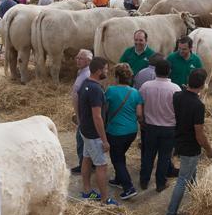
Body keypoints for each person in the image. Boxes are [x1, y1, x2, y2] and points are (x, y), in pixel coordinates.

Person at [163, 68, 212, 215]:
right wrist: (209, 149)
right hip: (190, 147)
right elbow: (199, 133)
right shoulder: (198, 105)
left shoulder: (178, 96)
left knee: (192, 174)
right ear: (203, 85)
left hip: (179, 140)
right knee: (182, 180)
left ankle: (197, 203)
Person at [77, 57, 117, 205]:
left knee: (86, 158)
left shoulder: (84, 83)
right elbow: (97, 117)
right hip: (93, 134)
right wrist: (104, 140)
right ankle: (105, 199)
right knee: (102, 166)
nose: (107, 71)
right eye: (106, 69)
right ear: (99, 71)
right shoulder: (96, 89)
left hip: (85, 130)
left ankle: (87, 191)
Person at [139, 58, 180, 192]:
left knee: (148, 156)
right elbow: (177, 110)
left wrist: (142, 120)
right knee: (164, 157)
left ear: (155, 71)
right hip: (169, 129)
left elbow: (140, 105)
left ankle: (144, 181)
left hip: (150, 127)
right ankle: (160, 184)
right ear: (170, 71)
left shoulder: (145, 86)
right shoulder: (175, 89)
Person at [104, 63, 143, 201]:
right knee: (120, 155)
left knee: (116, 159)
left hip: (115, 131)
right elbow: (139, 114)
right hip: (131, 131)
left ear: (116, 77)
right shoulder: (135, 92)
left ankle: (129, 187)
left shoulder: (110, 91)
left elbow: (105, 110)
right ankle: (119, 179)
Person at [70, 49, 93, 174]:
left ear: (88, 61)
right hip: (82, 113)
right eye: (77, 57)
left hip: (83, 114)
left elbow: (79, 96)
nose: (77, 60)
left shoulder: (86, 75)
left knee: (81, 140)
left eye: (81, 58)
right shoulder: (82, 72)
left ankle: (84, 165)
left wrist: (79, 115)